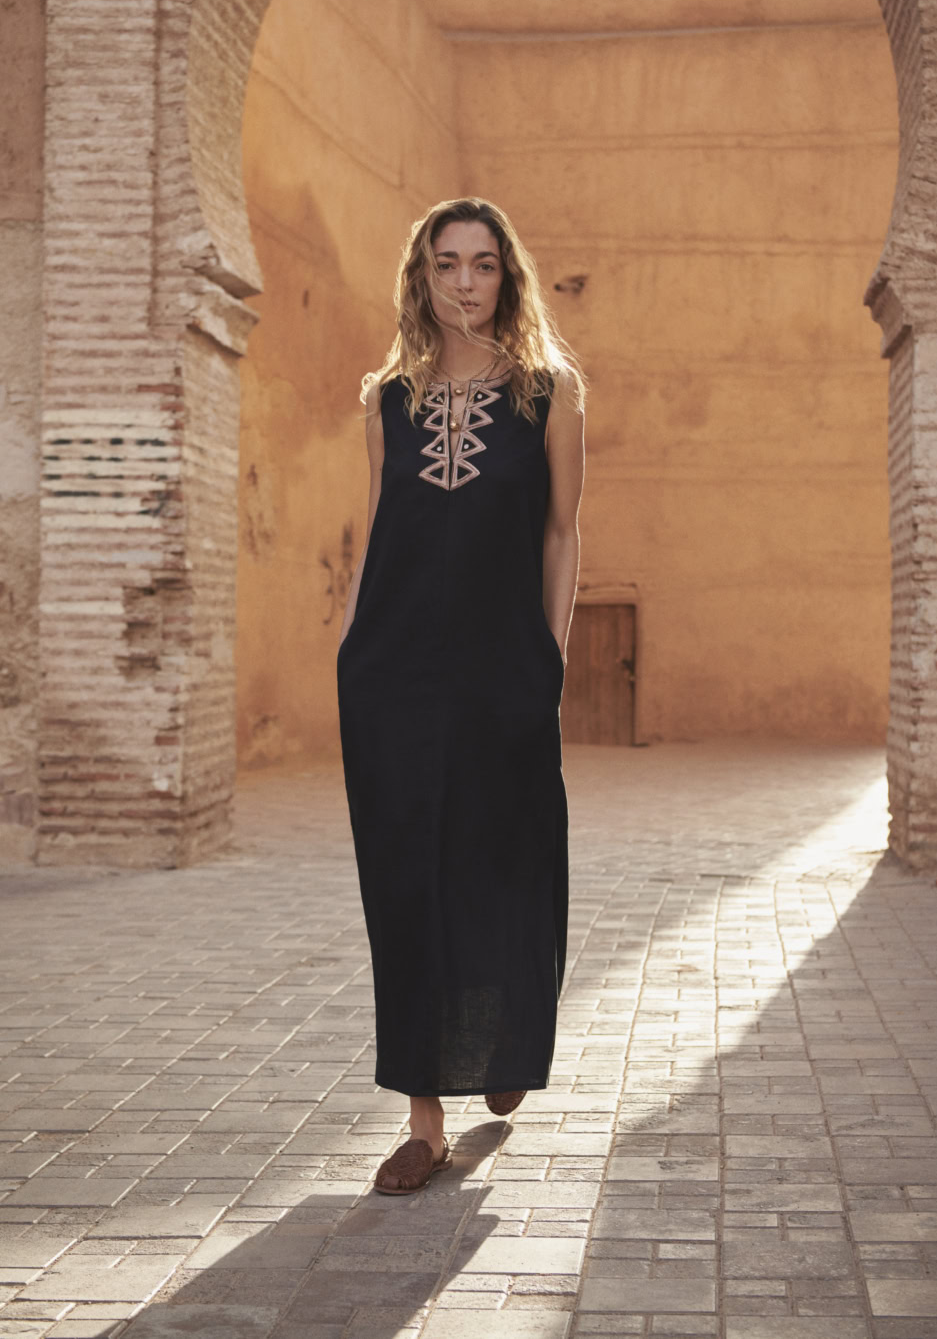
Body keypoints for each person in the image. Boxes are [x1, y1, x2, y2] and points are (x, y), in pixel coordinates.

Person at [336, 196, 585, 1195]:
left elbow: (561, 533)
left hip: (504, 670)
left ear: (507, 277)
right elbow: (376, 531)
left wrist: (548, 663)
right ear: (423, 276)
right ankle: (423, 1120)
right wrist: (349, 647)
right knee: (406, 882)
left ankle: (507, 1042)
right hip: (391, 674)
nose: (466, 283)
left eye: (484, 264)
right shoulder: (384, 400)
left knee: (505, 861)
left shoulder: (550, 392)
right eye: (448, 264)